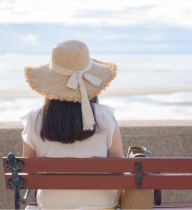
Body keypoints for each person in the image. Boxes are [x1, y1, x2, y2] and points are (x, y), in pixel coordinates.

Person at [21, 40, 124, 209]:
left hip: (52, 204)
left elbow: (31, 172)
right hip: (102, 204)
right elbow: (118, 170)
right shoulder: (105, 116)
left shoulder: (33, 118)